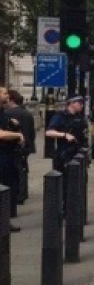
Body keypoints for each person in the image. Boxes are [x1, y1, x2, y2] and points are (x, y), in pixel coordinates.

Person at [5, 90, 35, 204]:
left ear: (11, 100)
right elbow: (32, 132)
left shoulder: (9, 113)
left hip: (15, 145)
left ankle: (18, 194)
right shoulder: (27, 113)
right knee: (23, 169)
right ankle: (22, 193)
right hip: (26, 145)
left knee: (16, 170)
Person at [0, 86, 24, 231]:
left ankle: (4, 222)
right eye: (3, 93)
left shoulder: (4, 113)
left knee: (9, 188)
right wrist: (18, 135)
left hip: (8, 155)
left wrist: (15, 126)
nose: (7, 95)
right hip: (1, 155)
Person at [45, 95, 89, 172]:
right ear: (72, 103)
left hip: (79, 154)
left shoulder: (81, 118)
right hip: (65, 154)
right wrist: (65, 135)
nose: (82, 105)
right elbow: (49, 132)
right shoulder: (60, 116)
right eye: (80, 103)